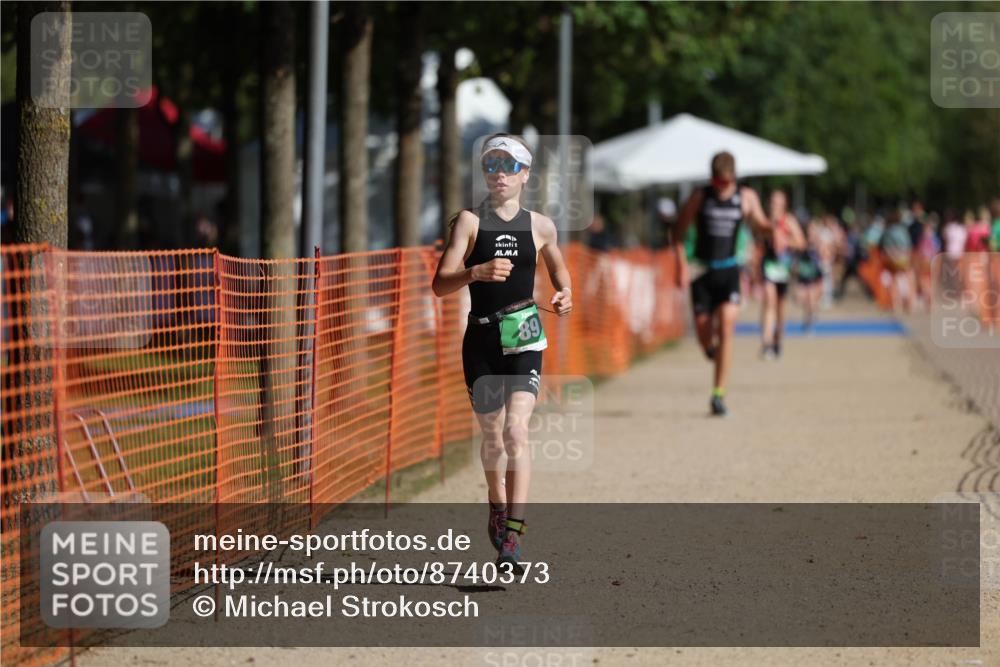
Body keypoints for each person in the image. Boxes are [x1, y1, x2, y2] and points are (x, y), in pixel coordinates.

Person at [432, 134, 572, 571]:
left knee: (516, 432)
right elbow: (440, 284)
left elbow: (558, 267)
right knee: (493, 438)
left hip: (525, 330)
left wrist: (565, 293)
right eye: (491, 164)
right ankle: (496, 501)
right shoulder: (470, 224)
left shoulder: (541, 225)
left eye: (508, 166)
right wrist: (475, 271)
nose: (498, 173)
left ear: (525, 174)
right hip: (481, 339)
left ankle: (514, 533)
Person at [674, 151, 771, 416]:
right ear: (712, 179)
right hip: (702, 273)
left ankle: (718, 394)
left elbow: (761, 225)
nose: (723, 188)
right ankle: (710, 350)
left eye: (727, 183)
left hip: (729, 271)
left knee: (727, 328)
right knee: (705, 334)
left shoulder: (746, 197)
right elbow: (678, 232)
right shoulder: (699, 197)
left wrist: (775, 228)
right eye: (719, 183)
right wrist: (681, 265)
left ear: (734, 178)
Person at [758, 190, 805, 360]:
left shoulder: (789, 220)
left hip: (783, 268)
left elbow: (801, 242)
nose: (775, 206)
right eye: (772, 202)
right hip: (768, 266)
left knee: (780, 308)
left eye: (778, 203)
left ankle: (778, 340)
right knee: (769, 301)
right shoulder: (763, 220)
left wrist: (786, 240)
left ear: (784, 205)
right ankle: (766, 343)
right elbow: (757, 236)